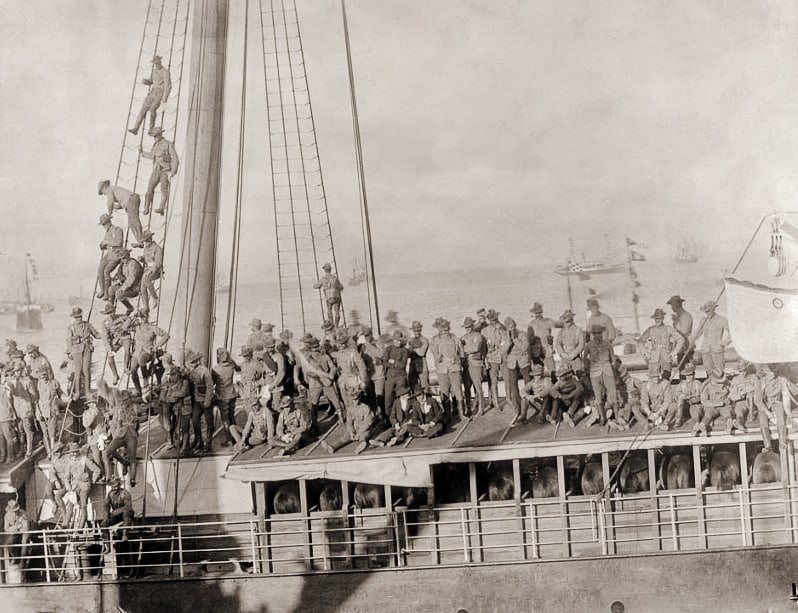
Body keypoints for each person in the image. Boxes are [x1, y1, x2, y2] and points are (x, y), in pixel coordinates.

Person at [431, 318, 466, 420]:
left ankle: (461, 413)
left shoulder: (455, 339)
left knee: (458, 390)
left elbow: (462, 355)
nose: (445, 333)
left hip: (454, 369)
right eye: (442, 331)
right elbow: (435, 356)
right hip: (442, 370)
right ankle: (447, 415)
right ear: (439, 331)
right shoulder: (434, 341)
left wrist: (455, 359)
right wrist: (441, 358)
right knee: (444, 392)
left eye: (446, 330)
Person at [139, 126, 179, 215]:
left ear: (160, 135)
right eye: (154, 136)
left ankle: (161, 208)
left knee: (164, 190)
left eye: (156, 136)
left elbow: (175, 158)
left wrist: (173, 172)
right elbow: (152, 155)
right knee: (149, 189)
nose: (154, 138)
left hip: (165, 171)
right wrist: (142, 152)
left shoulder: (168, 144)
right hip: (156, 171)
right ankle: (146, 207)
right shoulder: (155, 145)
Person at [128, 54, 172, 136]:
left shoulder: (165, 71)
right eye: (155, 63)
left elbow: (168, 86)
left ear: (160, 62)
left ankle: (151, 129)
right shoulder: (154, 71)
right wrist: (146, 81)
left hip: (160, 93)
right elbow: (151, 81)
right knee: (143, 109)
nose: (156, 64)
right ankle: (136, 128)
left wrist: (164, 98)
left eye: (157, 63)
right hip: (152, 92)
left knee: (152, 109)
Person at [129, 310, 169, 398]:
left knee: (141, 359)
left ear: (147, 317)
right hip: (137, 352)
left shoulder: (152, 327)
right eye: (141, 317)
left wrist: (157, 345)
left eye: (144, 317)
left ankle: (145, 378)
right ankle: (139, 390)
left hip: (147, 352)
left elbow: (166, 335)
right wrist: (132, 317)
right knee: (133, 370)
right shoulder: (136, 327)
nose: (143, 319)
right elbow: (124, 327)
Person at [583, 325, 617, 427]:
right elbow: (584, 358)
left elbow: (613, 358)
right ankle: (602, 417)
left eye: (600, 333)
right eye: (596, 333)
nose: (598, 335)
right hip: (594, 371)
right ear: (593, 334)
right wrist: (587, 368)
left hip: (607, 370)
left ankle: (617, 416)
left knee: (613, 393)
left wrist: (613, 369)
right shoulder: (588, 345)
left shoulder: (607, 344)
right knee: (598, 396)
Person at [65, 306, 101, 400]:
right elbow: (69, 342)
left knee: (86, 371)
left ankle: (88, 392)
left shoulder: (87, 325)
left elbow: (96, 334)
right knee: (78, 372)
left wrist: (105, 335)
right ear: (74, 318)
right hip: (77, 351)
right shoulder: (71, 328)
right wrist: (70, 352)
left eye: (80, 316)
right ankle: (77, 392)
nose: (78, 319)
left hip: (87, 349)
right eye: (76, 317)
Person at [638, 308, 684, 377]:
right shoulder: (651, 329)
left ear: (663, 318)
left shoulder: (668, 328)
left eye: (659, 318)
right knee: (653, 378)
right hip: (653, 358)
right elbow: (640, 341)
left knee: (666, 378)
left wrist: (674, 352)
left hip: (666, 357)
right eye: (656, 318)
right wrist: (645, 352)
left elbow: (681, 339)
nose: (657, 320)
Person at [158, 354, 190, 450]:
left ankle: (170, 440)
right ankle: (174, 438)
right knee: (174, 421)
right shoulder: (175, 369)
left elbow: (168, 386)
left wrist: (165, 395)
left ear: (165, 362)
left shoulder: (169, 372)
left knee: (165, 421)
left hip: (168, 400)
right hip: (171, 399)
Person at [695, 368, 739, 436]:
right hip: (712, 407)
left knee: (727, 413)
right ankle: (703, 425)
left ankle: (729, 424)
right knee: (708, 416)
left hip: (723, 405)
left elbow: (732, 391)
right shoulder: (706, 386)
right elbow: (704, 401)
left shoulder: (725, 382)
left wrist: (729, 399)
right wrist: (716, 404)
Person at [370, 383, 415, 447]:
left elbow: (416, 414)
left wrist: (411, 420)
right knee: (391, 430)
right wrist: (396, 423)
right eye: (405, 394)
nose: (407, 396)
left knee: (404, 430)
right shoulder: (396, 402)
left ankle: (395, 440)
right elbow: (392, 416)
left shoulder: (412, 401)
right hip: (399, 423)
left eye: (407, 394)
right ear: (400, 396)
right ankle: (380, 441)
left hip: (408, 423)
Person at [186, 350, 214, 451]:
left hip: (205, 400)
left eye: (193, 362)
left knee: (209, 422)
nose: (192, 364)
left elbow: (210, 387)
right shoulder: (190, 371)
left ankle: (208, 443)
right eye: (190, 362)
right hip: (197, 400)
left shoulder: (204, 371)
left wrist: (208, 400)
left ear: (198, 361)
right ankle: (199, 441)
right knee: (195, 421)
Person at [212, 347, 240, 446]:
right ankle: (236, 437)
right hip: (232, 394)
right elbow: (238, 368)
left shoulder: (216, 369)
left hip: (222, 397)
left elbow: (212, 382)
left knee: (225, 419)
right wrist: (230, 358)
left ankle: (229, 439)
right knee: (232, 417)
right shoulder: (231, 366)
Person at [503, 317, 530, 417]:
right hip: (512, 363)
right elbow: (503, 351)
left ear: (515, 326)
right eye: (509, 328)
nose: (512, 329)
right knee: (513, 385)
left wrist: (515, 339)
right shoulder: (505, 337)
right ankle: (518, 405)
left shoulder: (522, 334)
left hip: (523, 362)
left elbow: (524, 348)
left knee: (528, 383)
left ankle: (528, 402)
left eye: (513, 326)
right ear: (506, 328)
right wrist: (509, 341)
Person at [481, 309, 508, 412]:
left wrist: (502, 351)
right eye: (492, 320)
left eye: (495, 319)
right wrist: (485, 360)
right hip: (491, 358)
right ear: (488, 320)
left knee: (506, 379)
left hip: (502, 357)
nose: (494, 321)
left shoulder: (501, 328)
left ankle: (509, 399)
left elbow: (506, 342)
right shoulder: (485, 331)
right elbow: (483, 348)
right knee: (494, 381)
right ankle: (496, 403)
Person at [694, 301, 730, 377]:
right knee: (709, 372)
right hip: (706, 350)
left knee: (719, 372)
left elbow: (732, 331)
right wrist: (690, 341)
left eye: (709, 311)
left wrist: (725, 342)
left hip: (717, 350)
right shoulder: (703, 320)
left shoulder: (721, 320)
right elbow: (697, 333)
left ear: (713, 310)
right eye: (706, 312)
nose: (707, 313)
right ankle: (710, 387)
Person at [460, 317, 486, 416]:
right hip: (466, 365)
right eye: (466, 327)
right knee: (467, 387)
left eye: (469, 327)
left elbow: (476, 347)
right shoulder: (463, 337)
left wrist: (465, 349)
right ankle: (469, 408)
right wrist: (468, 349)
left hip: (476, 364)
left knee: (478, 387)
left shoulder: (478, 336)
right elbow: (460, 350)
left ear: (472, 326)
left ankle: (481, 408)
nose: (468, 329)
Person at [97, 213, 125, 301]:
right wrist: (102, 245)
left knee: (106, 272)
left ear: (109, 222)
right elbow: (107, 245)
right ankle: (102, 290)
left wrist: (107, 242)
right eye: (103, 224)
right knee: (100, 270)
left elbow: (118, 243)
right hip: (108, 255)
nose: (104, 226)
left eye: (104, 224)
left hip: (116, 255)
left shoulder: (118, 230)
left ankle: (106, 293)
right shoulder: (107, 232)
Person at [383, 330, 411, 417]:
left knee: (402, 396)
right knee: (388, 397)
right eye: (396, 340)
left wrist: (393, 362)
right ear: (393, 340)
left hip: (400, 376)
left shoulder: (405, 350)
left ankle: (402, 416)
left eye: (399, 340)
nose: (398, 342)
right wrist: (395, 364)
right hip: (390, 376)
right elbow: (385, 362)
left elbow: (402, 365)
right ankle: (389, 418)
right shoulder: (389, 349)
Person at [108, 249, 143, 314]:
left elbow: (131, 279)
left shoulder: (133, 264)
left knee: (119, 294)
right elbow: (122, 277)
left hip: (134, 288)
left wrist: (122, 288)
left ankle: (129, 307)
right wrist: (117, 282)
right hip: (127, 286)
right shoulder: (123, 265)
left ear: (128, 256)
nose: (123, 260)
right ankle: (110, 309)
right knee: (111, 289)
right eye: (121, 259)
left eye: (124, 258)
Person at [527, 302, 557, 375]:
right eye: (537, 313)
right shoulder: (532, 324)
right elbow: (529, 339)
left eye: (538, 312)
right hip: (538, 350)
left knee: (550, 371)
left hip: (544, 349)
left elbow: (558, 325)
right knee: (541, 371)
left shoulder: (547, 321)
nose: (538, 314)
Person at [554, 310, 585, 376]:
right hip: (564, 358)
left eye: (567, 321)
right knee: (565, 377)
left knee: (580, 376)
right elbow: (557, 344)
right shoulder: (561, 332)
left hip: (575, 358)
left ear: (571, 320)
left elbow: (581, 344)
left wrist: (574, 354)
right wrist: (562, 353)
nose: (566, 324)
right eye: (565, 322)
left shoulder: (578, 330)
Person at [313, 263, 344, 328]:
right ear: (330, 270)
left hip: (329, 298)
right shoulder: (335, 278)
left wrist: (323, 286)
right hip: (336, 297)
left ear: (325, 270)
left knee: (329, 312)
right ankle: (336, 326)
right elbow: (341, 287)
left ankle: (331, 325)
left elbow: (315, 286)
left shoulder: (323, 279)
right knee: (337, 312)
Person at [139, 230, 163, 311]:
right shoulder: (146, 248)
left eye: (147, 241)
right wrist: (142, 259)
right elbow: (146, 260)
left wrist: (151, 270)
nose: (146, 243)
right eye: (145, 241)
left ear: (150, 239)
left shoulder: (157, 248)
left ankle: (155, 298)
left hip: (156, 270)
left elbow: (158, 263)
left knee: (146, 278)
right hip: (147, 269)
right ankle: (146, 307)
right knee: (142, 287)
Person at [673, 362, 703, 428]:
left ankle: (698, 423)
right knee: (680, 398)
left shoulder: (697, 383)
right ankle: (678, 419)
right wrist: (684, 397)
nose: (688, 377)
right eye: (687, 375)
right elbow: (676, 395)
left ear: (694, 375)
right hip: (684, 407)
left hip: (695, 406)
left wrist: (692, 399)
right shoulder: (682, 384)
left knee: (695, 412)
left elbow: (700, 397)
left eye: (690, 375)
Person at [666, 295, 693, 365]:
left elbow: (684, 332)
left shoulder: (686, 316)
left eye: (673, 305)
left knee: (687, 370)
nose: (672, 307)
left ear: (678, 304)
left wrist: (676, 322)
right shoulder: (678, 317)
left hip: (687, 347)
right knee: (682, 371)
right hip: (681, 348)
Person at [3, 500, 30, 567]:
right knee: (9, 543)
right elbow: (6, 528)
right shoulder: (7, 516)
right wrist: (16, 527)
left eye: (16, 511)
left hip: (24, 532)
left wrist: (19, 528)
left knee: (24, 541)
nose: (14, 513)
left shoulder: (23, 514)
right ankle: (15, 557)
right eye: (13, 511)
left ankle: (23, 561)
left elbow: (26, 528)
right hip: (15, 532)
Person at [407, 321, 430, 395]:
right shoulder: (410, 340)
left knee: (425, 388)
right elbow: (408, 354)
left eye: (418, 330)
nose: (416, 332)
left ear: (421, 330)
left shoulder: (425, 340)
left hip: (422, 367)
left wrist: (413, 350)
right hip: (413, 367)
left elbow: (422, 352)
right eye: (415, 330)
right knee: (413, 387)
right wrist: (415, 350)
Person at [0, 375, 16, 463]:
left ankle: (10, 456)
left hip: (5, 416)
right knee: (1, 438)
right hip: (1, 417)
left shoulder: (4, 387)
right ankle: (3, 456)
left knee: (8, 437)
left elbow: (10, 392)